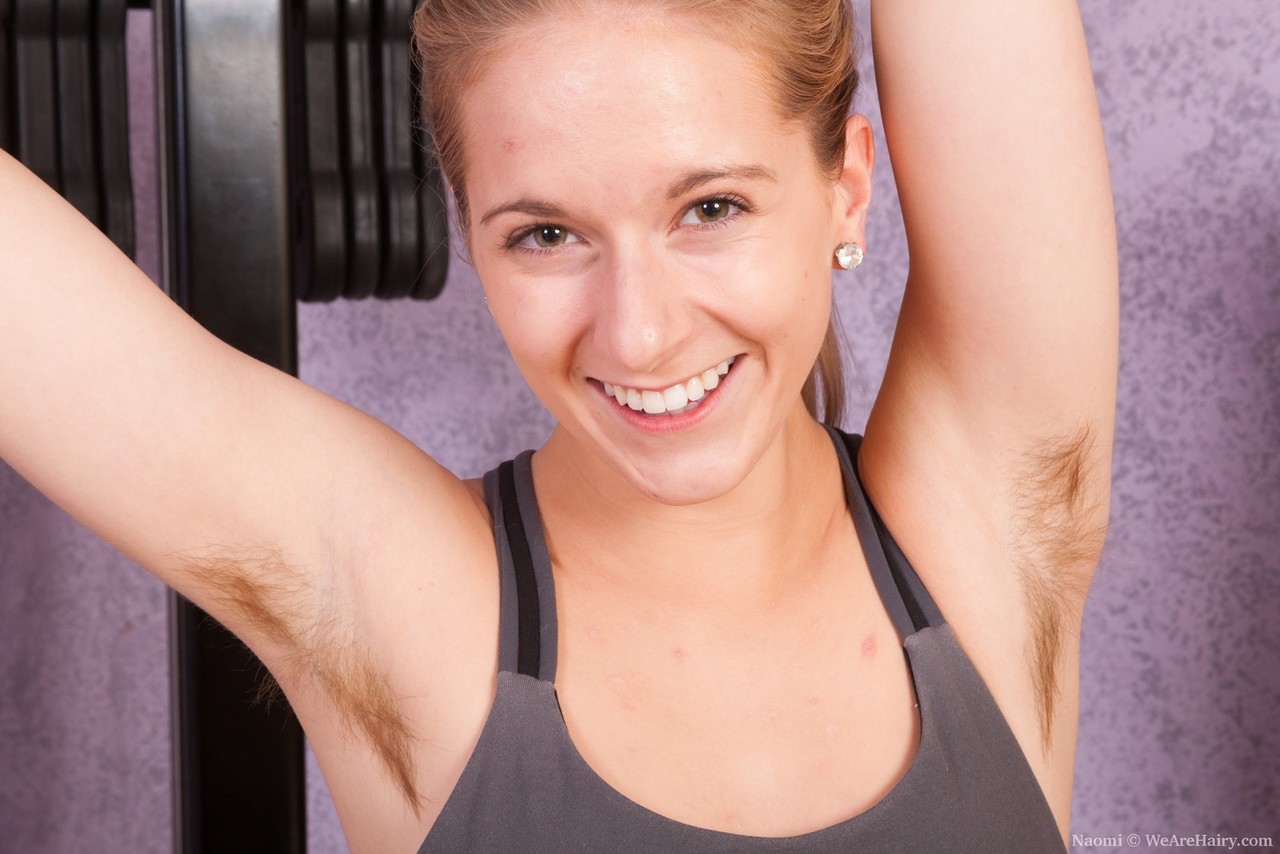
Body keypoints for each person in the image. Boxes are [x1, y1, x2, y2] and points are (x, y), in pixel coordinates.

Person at [0, 0, 1117, 850]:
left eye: (711, 208)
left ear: (846, 187)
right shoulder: (405, 609)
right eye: (544, 235)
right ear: (468, 232)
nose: (639, 334)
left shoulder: (993, 527)